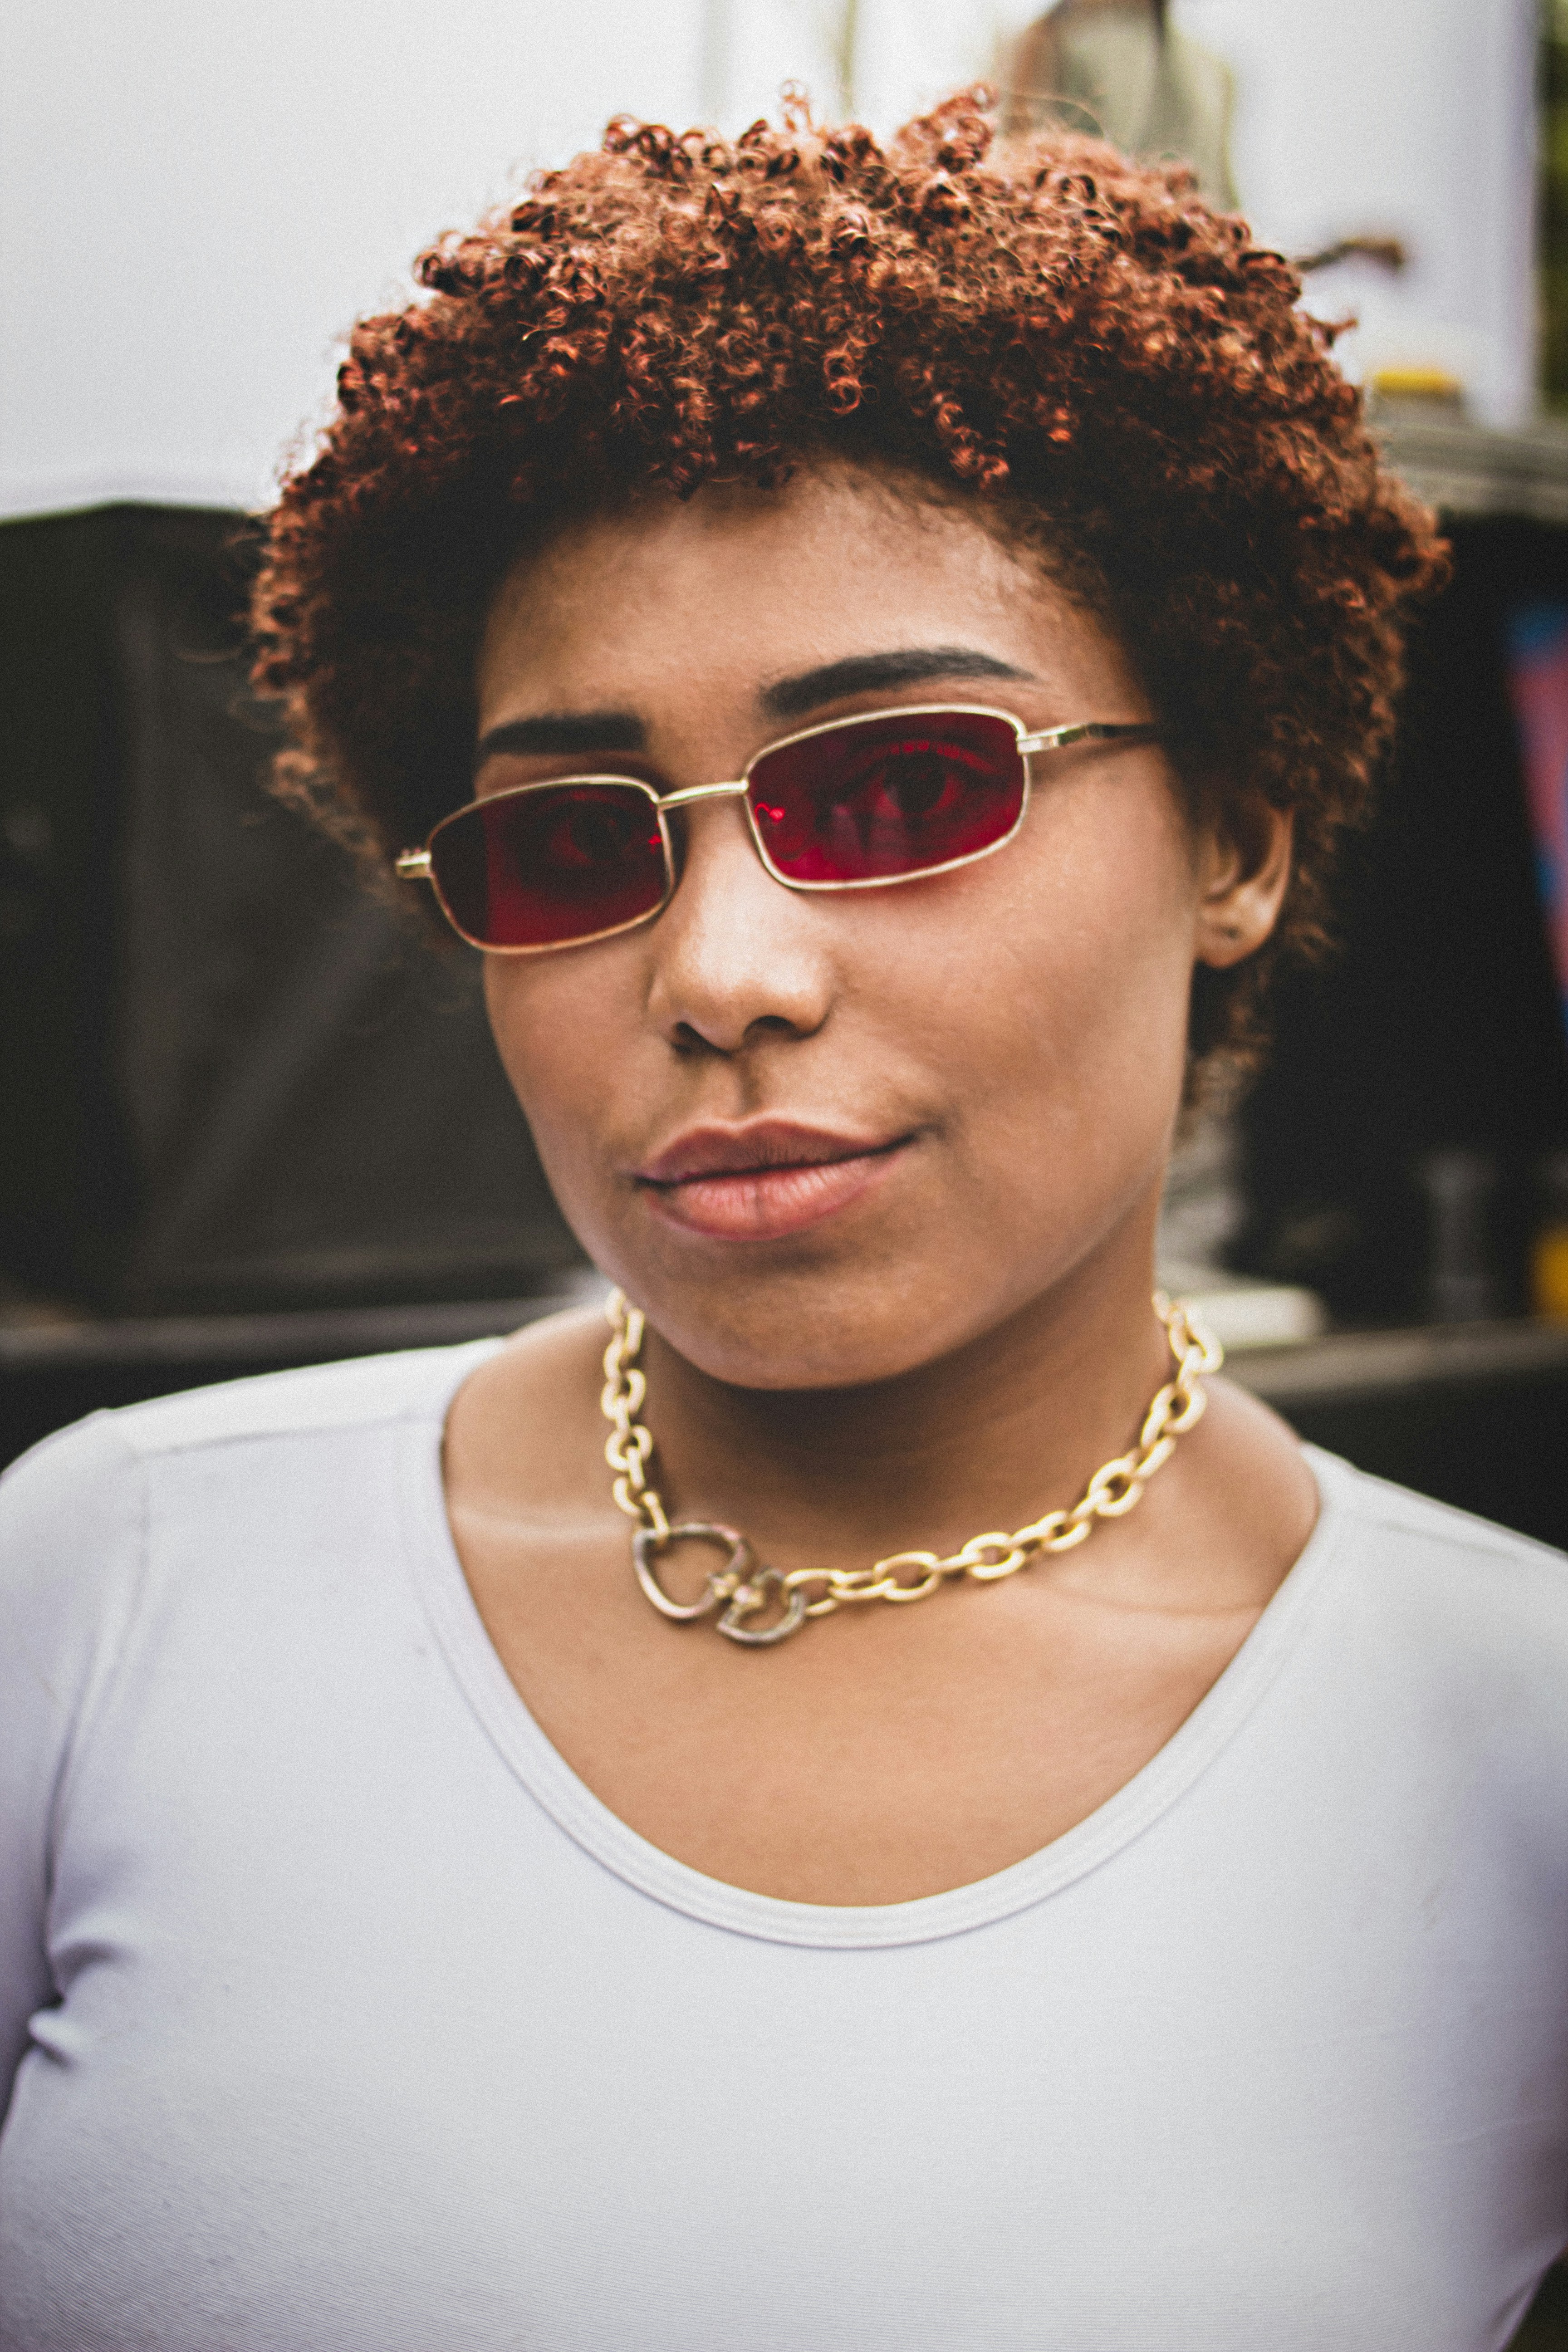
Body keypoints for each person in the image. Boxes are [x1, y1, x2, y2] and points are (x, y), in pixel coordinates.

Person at [1, 91, 1564, 2352]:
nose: (720, 973)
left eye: (905, 788)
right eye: (568, 848)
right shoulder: (112, 1597)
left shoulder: (1511, 1760)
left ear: (1237, 832)